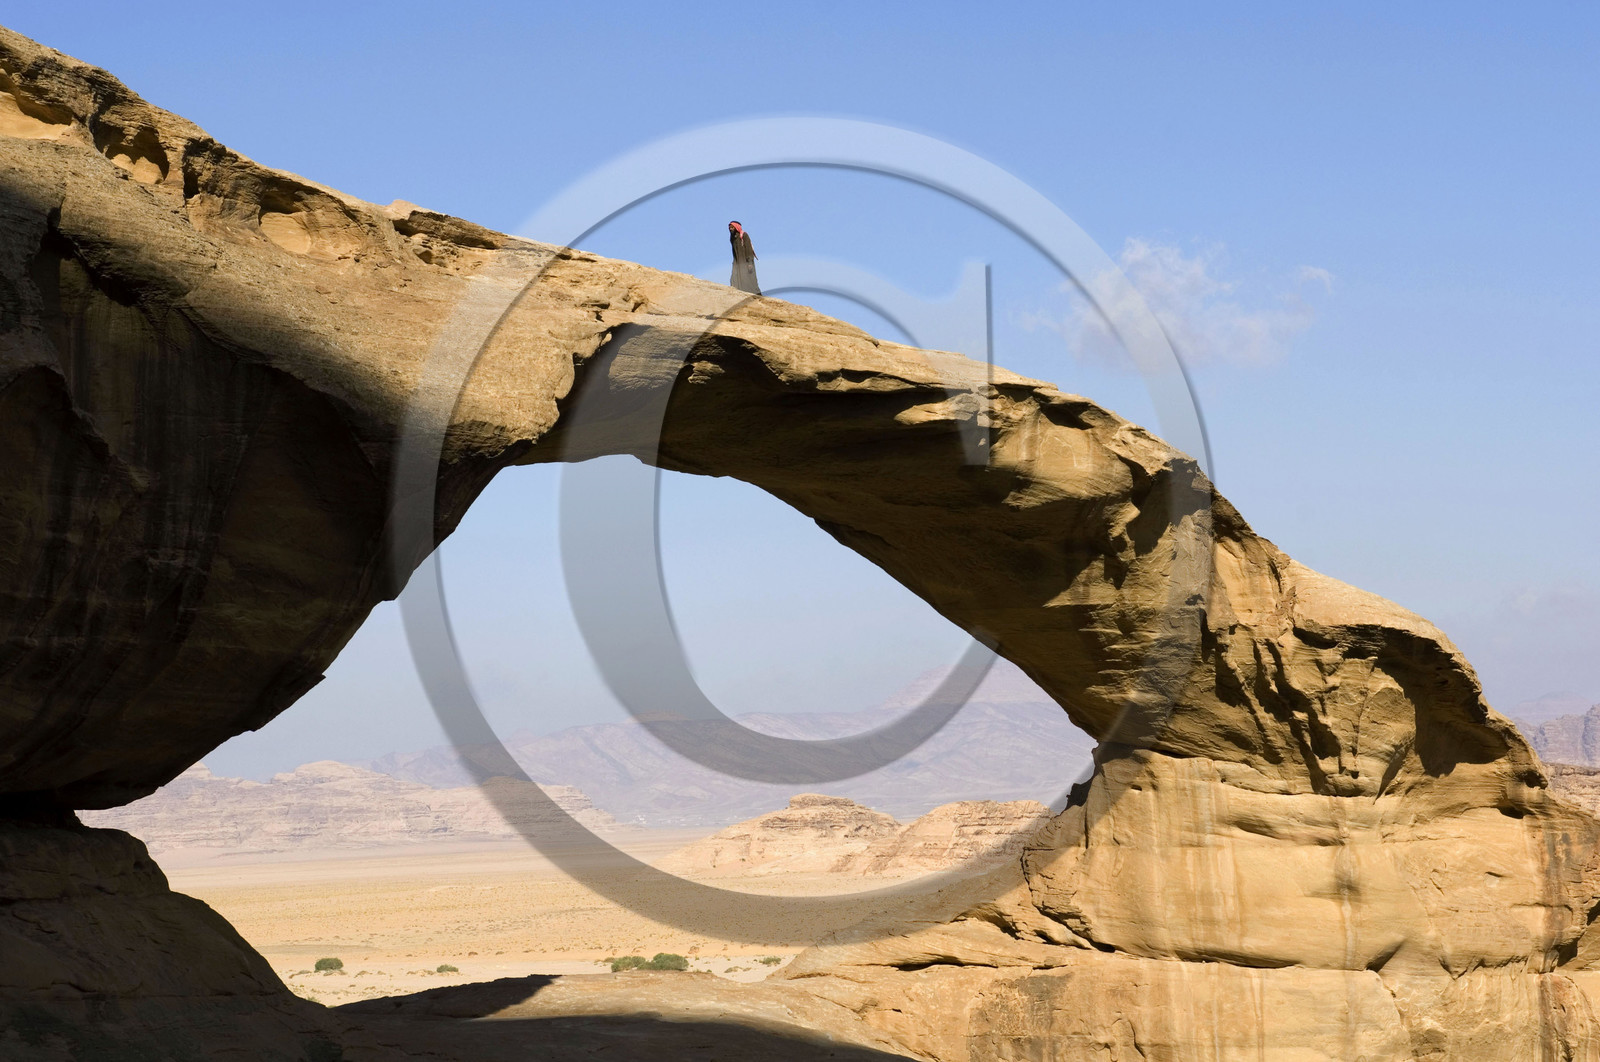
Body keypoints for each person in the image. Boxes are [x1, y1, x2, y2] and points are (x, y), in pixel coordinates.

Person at [728, 220, 760, 295]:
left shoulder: (744, 235)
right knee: (734, 278)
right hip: (737, 263)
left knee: (748, 279)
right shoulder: (732, 239)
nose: (730, 229)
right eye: (729, 228)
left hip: (746, 262)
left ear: (736, 227)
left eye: (732, 227)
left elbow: (749, 249)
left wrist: (749, 263)